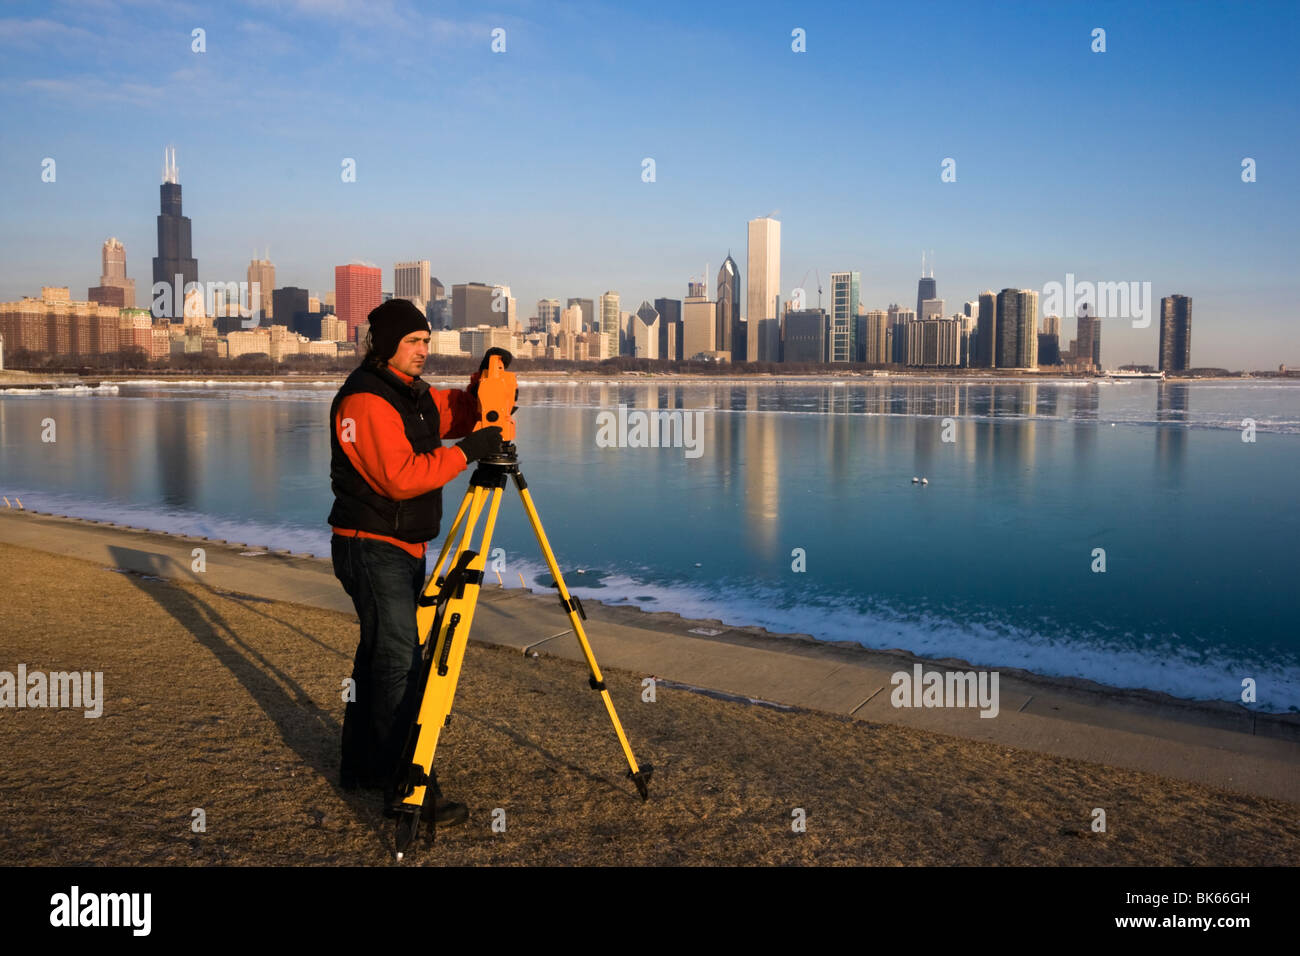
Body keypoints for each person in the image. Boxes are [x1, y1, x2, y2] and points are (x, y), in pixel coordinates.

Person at [327, 297, 508, 827]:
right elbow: (400, 477)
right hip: (370, 546)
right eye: (413, 342)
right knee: (399, 666)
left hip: (400, 546)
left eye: (427, 342)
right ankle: (404, 785)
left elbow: (453, 414)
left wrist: (485, 388)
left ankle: (362, 767)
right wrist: (468, 452)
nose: (423, 351)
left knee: (378, 660)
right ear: (385, 346)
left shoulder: (413, 395)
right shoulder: (365, 400)